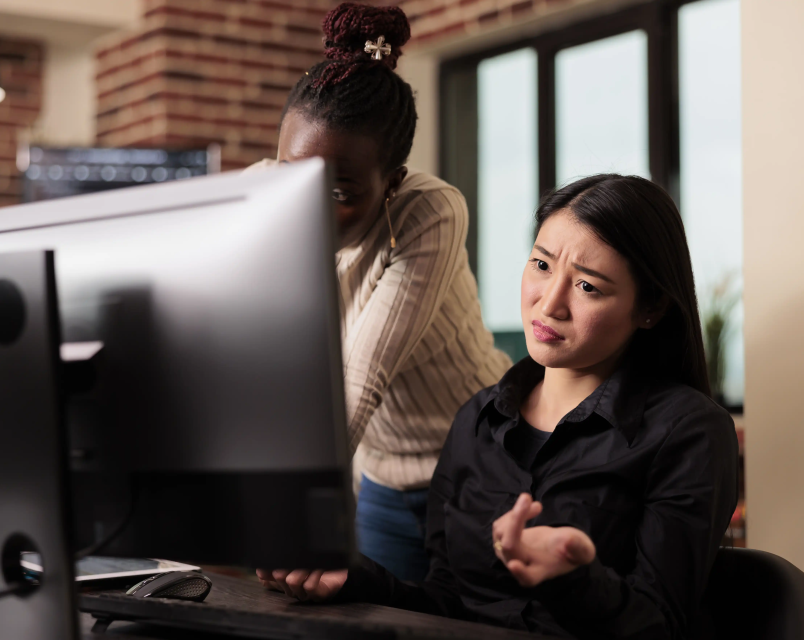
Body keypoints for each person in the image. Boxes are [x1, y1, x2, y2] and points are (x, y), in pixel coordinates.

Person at [258, 175, 740, 640]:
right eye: (542, 265)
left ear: (650, 308)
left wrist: (576, 581)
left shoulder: (689, 432)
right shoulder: (476, 420)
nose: (549, 304)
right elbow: (450, 604)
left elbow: (661, 626)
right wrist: (351, 579)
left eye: (588, 286)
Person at [247, 3, 511, 581]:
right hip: (382, 480)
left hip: (481, 470)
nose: (309, 208)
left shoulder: (430, 211)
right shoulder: (261, 195)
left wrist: (292, 509)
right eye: (294, 178)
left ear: (391, 183)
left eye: (340, 193)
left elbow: (358, 381)